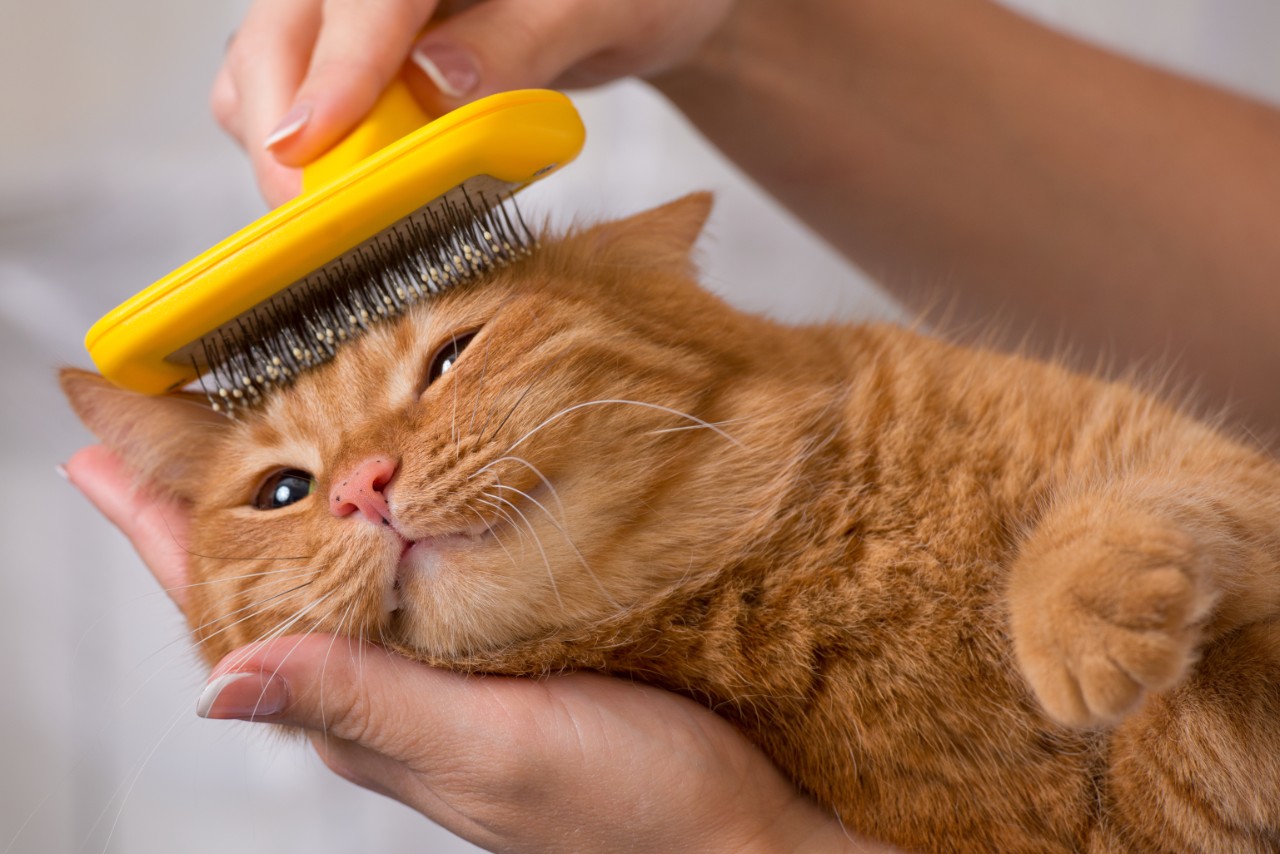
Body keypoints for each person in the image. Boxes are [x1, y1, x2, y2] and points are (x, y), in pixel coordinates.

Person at [66, 0, 1280, 849]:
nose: (366, 481)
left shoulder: (897, 414)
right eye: (280, 490)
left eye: (447, 357)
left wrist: (1154, 544)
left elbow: (1200, 499)